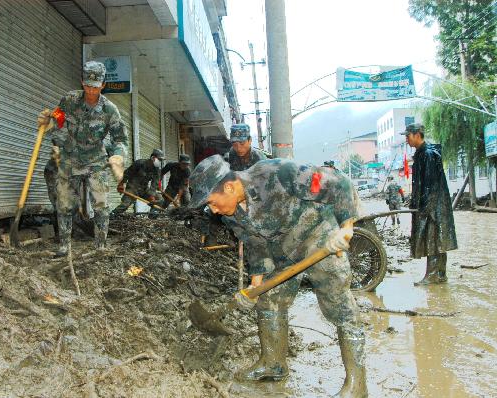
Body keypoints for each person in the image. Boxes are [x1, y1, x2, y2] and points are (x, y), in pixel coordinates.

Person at [188, 155, 368, 396]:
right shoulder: (231, 215)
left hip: (320, 241)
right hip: (283, 253)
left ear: (228, 187)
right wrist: (254, 288)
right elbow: (255, 245)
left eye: (211, 202)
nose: (213, 210)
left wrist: (346, 227)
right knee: (269, 301)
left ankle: (357, 385)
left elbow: (338, 183)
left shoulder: (276, 172)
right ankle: (273, 364)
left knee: (340, 308)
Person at [37, 60, 128, 256]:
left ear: (103, 85)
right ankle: (64, 247)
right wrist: (49, 122)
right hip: (70, 159)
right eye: (87, 85)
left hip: (96, 160)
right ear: (82, 81)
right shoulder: (69, 100)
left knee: (101, 203)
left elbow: (121, 139)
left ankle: (101, 247)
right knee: (63, 203)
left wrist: (118, 157)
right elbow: (59, 120)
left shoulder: (110, 110)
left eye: (95, 87)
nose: (91, 91)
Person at [401, 123, 457, 285]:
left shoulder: (429, 155)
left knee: (433, 238)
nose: (406, 140)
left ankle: (433, 275)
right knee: (437, 238)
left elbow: (430, 185)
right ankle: (440, 274)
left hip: (434, 205)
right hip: (432, 203)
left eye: (408, 136)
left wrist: (425, 208)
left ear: (417, 134)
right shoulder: (422, 154)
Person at [112, 149, 164, 214]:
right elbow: (127, 173)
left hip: (144, 190)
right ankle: (113, 215)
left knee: (160, 199)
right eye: (159, 160)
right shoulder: (140, 163)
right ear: (153, 158)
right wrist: (121, 184)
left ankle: (153, 215)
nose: (160, 162)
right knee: (125, 205)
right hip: (132, 188)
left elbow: (155, 183)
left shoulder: (157, 170)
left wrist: (152, 195)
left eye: (161, 160)